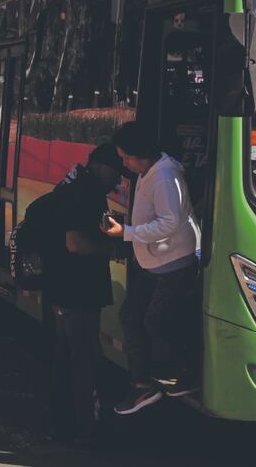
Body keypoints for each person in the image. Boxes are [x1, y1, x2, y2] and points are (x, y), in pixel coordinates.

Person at [101, 121, 201, 415]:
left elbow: (170, 222)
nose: (124, 163)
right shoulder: (151, 171)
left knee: (156, 321)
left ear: (141, 153)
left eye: (126, 157)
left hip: (173, 263)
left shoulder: (165, 177)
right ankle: (142, 386)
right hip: (154, 263)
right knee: (131, 317)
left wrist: (126, 232)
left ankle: (192, 370)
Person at [44, 143, 124, 444]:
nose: (119, 181)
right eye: (117, 172)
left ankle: (62, 425)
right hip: (78, 291)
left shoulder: (74, 184)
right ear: (101, 166)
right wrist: (116, 250)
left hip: (62, 288)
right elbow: (75, 243)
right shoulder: (86, 193)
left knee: (66, 360)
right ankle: (85, 430)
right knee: (83, 361)